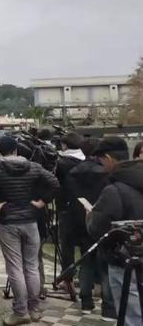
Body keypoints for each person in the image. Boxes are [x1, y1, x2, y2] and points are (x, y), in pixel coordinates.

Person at [0, 136, 59, 326]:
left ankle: (20, 311)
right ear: (16, 150)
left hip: (7, 221)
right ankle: (34, 309)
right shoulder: (32, 166)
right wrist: (41, 202)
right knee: (31, 267)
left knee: (15, 268)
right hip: (30, 220)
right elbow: (54, 183)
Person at [87, 137, 142, 325]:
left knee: (130, 315)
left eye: (101, 161)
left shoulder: (114, 190)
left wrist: (90, 215)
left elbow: (97, 228)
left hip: (124, 262)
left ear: (108, 158)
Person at [72, 136, 117, 320]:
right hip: (103, 221)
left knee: (86, 262)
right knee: (106, 264)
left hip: (82, 221)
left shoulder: (74, 172)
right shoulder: (107, 173)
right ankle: (108, 307)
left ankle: (86, 302)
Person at [55, 132, 98, 310]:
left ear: (65, 145)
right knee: (87, 249)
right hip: (89, 210)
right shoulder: (93, 164)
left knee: (67, 245)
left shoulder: (62, 163)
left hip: (68, 209)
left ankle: (68, 279)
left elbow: (56, 185)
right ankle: (89, 283)